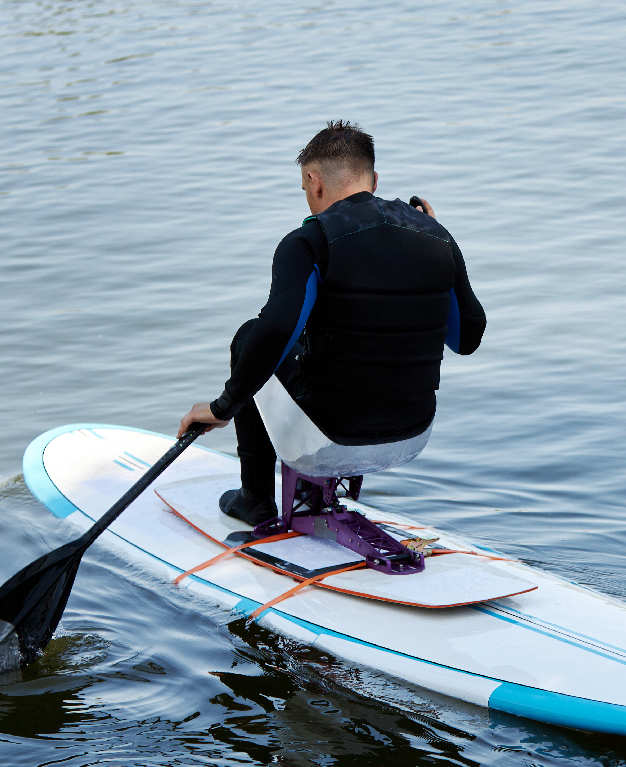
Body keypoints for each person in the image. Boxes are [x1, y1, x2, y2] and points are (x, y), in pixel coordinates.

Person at [178, 121, 486, 525]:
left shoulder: (307, 243)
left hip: (332, 438)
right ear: (374, 180)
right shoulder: (439, 238)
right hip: (414, 435)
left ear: (314, 180)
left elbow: (274, 334)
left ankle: (255, 500)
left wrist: (223, 408)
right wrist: (436, 237)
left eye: (304, 189)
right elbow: (467, 338)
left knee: (251, 336)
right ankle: (311, 493)